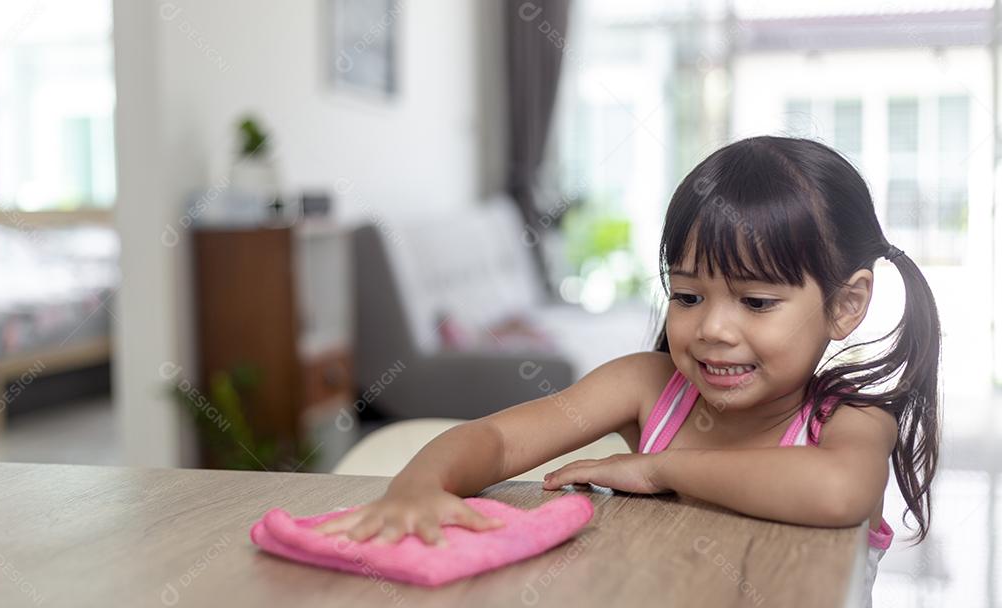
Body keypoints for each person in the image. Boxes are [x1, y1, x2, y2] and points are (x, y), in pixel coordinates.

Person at [314, 136, 941, 603]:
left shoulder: (852, 418)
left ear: (845, 305)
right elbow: (497, 439)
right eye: (688, 296)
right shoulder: (648, 385)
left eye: (755, 302)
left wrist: (658, 468)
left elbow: (838, 492)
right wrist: (420, 485)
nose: (713, 329)